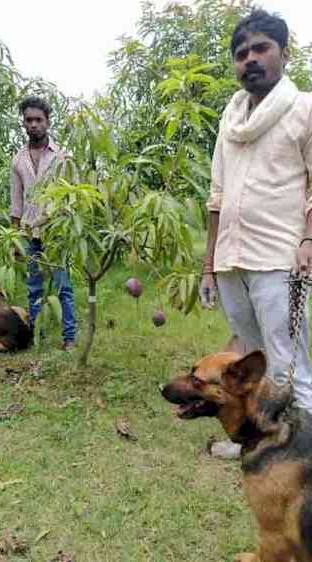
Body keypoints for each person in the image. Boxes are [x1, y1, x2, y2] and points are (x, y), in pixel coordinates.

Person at [201, 9, 312, 458]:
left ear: (284, 54)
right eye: (242, 52)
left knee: (288, 363)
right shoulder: (230, 120)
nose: (251, 58)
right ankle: (260, 441)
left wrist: (307, 241)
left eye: (262, 48)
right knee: (250, 359)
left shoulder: (304, 108)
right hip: (231, 258)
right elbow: (216, 197)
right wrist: (209, 265)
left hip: (278, 256)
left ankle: (302, 453)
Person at [10, 95, 76, 350]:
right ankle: (36, 335)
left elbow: (71, 193)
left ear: (48, 122)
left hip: (56, 231)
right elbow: (16, 202)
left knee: (63, 286)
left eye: (39, 120)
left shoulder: (62, 156)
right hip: (28, 233)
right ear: (23, 124)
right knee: (33, 287)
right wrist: (14, 238)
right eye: (29, 120)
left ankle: (69, 338)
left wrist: (64, 224)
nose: (34, 124)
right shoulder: (18, 160)